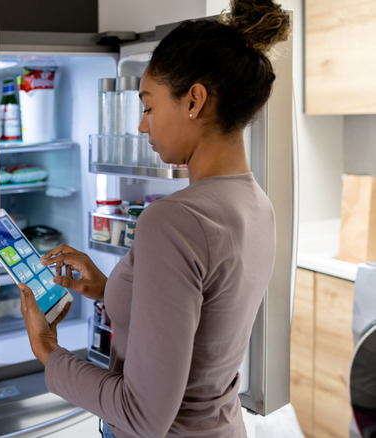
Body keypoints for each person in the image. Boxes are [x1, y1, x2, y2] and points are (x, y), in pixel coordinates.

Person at [17, 0, 292, 436]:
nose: (143, 126)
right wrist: (110, 290)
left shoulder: (175, 219)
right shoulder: (256, 203)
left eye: (147, 106)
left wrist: (48, 349)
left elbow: (144, 415)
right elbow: (199, 328)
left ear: (194, 100)